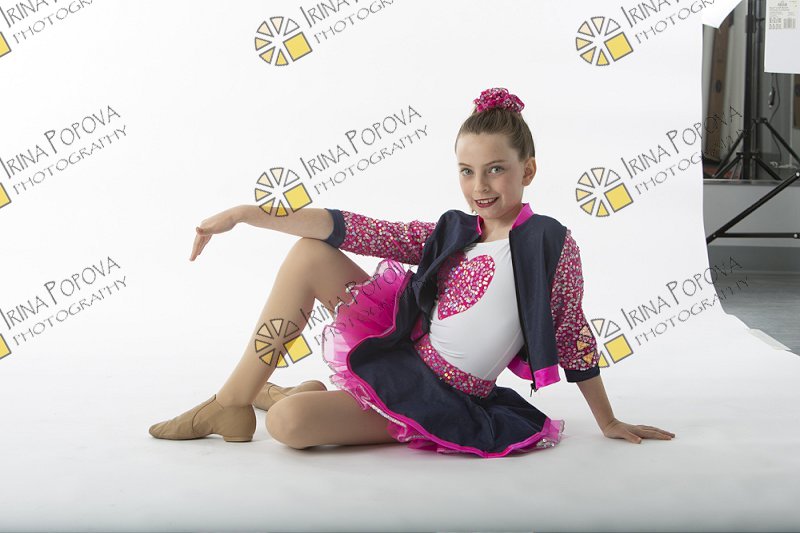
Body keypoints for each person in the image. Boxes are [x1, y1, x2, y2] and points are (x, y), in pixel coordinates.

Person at [148, 87, 675, 457]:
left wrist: (607, 419)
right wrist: (248, 215)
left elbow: (572, 332)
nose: (480, 186)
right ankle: (232, 403)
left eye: (496, 169)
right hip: (405, 351)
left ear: (528, 170)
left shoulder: (548, 244)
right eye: (467, 171)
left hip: (446, 396)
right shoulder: (454, 231)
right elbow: (364, 230)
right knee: (309, 253)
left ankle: (284, 398)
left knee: (290, 426)